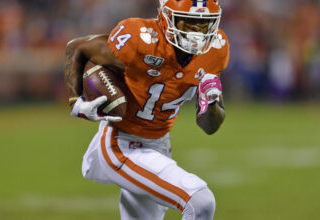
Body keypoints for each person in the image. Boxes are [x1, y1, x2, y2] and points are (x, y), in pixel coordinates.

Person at [64, 0, 229, 219]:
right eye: (187, 22)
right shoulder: (139, 38)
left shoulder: (215, 50)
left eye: (203, 24)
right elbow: (78, 48)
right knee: (200, 201)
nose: (196, 33)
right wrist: (76, 101)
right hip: (120, 143)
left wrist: (211, 103)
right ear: (165, 17)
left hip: (159, 145)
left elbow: (209, 126)